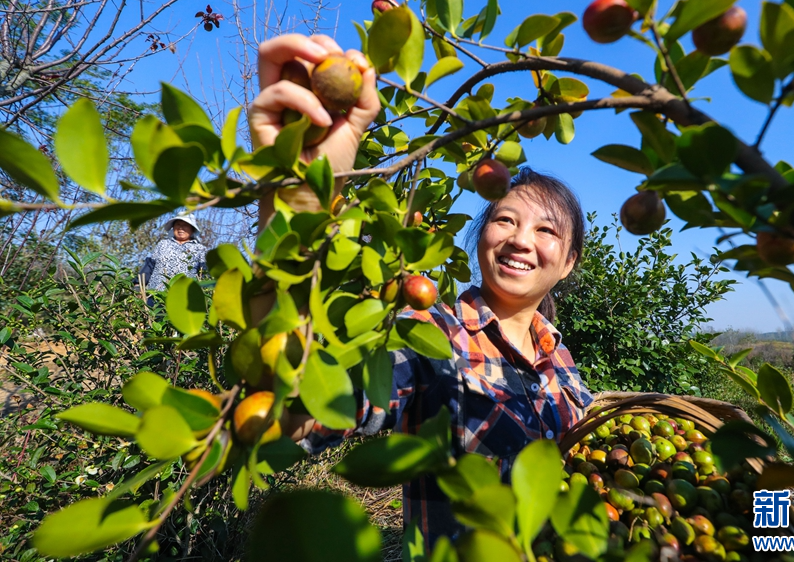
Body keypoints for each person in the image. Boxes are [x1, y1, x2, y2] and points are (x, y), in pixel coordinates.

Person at [249, 34, 594, 550]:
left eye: (546, 230)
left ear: (568, 263)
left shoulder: (559, 355)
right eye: (504, 219)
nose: (521, 239)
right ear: (481, 240)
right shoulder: (433, 338)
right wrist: (298, 201)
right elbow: (301, 413)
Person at [145, 213, 208, 292]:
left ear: (192, 229)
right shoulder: (162, 244)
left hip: (184, 294)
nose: (181, 228)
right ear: (173, 227)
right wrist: (138, 285)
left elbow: (204, 274)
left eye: (185, 225)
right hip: (156, 293)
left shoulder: (200, 249)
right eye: (178, 224)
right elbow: (149, 266)